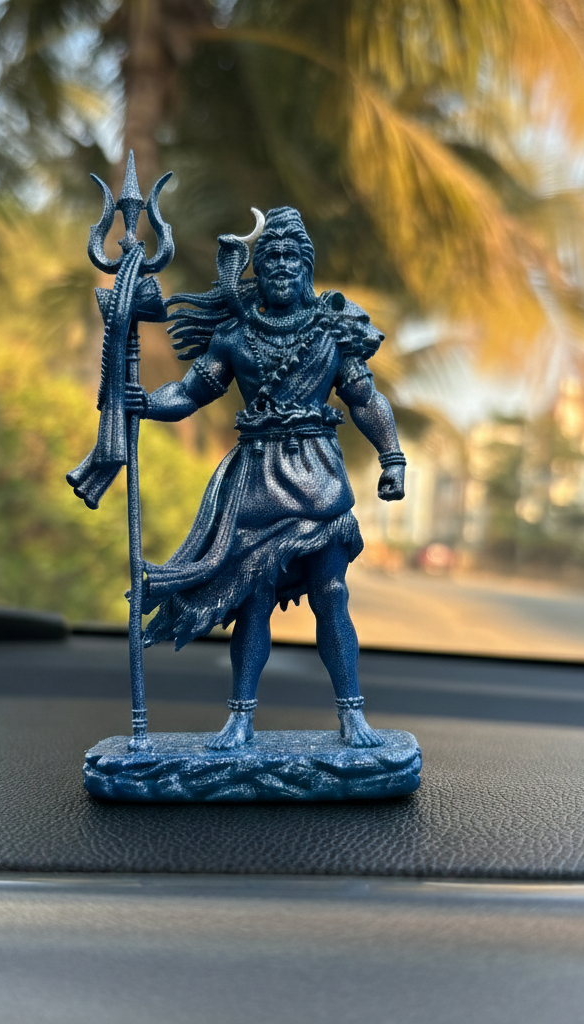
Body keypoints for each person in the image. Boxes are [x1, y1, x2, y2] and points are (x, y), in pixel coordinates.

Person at [125, 207, 406, 749]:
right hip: (256, 485)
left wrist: (392, 457)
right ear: (257, 267)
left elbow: (364, 399)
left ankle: (352, 715)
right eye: (270, 256)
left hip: (319, 481)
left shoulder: (332, 328)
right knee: (253, 602)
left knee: (331, 594)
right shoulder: (235, 335)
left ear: (306, 265)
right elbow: (191, 392)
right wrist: (146, 403)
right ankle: (240, 718)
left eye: (289, 256)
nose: (279, 265)